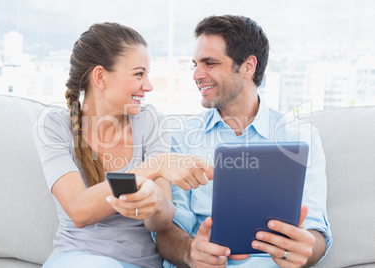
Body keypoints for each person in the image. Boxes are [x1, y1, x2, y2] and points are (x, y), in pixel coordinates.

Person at [155, 15, 332, 268]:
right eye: (196, 64)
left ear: (248, 67)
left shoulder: (301, 137)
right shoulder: (179, 136)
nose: (196, 74)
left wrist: (306, 248)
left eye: (210, 63)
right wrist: (190, 252)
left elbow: (316, 231)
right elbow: (168, 229)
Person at [33, 22, 212, 268]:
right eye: (139, 74)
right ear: (100, 76)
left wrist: (155, 205)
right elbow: (79, 211)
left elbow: (161, 222)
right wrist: (154, 166)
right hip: (76, 258)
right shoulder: (53, 126)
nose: (148, 85)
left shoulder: (151, 122)